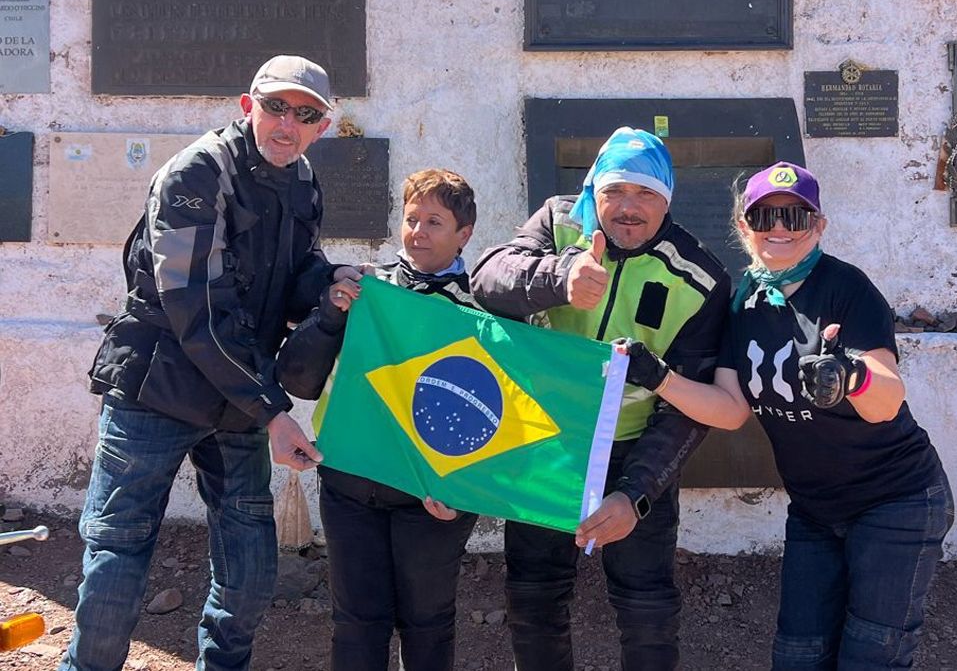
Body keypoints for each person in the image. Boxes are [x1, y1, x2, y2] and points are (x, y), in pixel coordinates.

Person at [63, 55, 361, 671]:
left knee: (251, 562)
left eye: (304, 114)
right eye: (275, 106)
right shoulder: (196, 173)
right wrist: (275, 412)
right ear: (247, 106)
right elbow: (197, 311)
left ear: (322, 126)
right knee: (120, 552)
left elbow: (293, 269)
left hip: (236, 394)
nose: (287, 123)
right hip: (158, 385)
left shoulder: (301, 179)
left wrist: (333, 281)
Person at [620, 161, 954, 671]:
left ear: (818, 226)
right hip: (816, 509)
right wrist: (660, 377)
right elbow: (730, 411)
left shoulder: (847, 288)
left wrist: (851, 376)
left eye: (795, 218)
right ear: (743, 227)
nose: (779, 228)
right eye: (764, 216)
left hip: (896, 499)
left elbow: (887, 400)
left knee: (871, 653)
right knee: (799, 654)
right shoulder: (741, 305)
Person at [471, 126, 730, 670]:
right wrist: (557, 275)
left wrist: (635, 494)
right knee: (535, 597)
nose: (629, 209)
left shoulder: (702, 278)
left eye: (646, 195)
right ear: (594, 191)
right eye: (615, 192)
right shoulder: (560, 223)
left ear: (667, 202)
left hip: (634, 450)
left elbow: (684, 411)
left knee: (647, 606)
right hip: (546, 441)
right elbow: (487, 279)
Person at [275, 169, 481, 671]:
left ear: (465, 235)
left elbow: (493, 424)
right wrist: (329, 316)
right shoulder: (363, 291)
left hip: (428, 498)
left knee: (427, 620)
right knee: (356, 620)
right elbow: (297, 380)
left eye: (435, 221)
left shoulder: (481, 313)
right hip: (350, 486)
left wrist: (464, 498)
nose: (419, 232)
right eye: (412, 219)